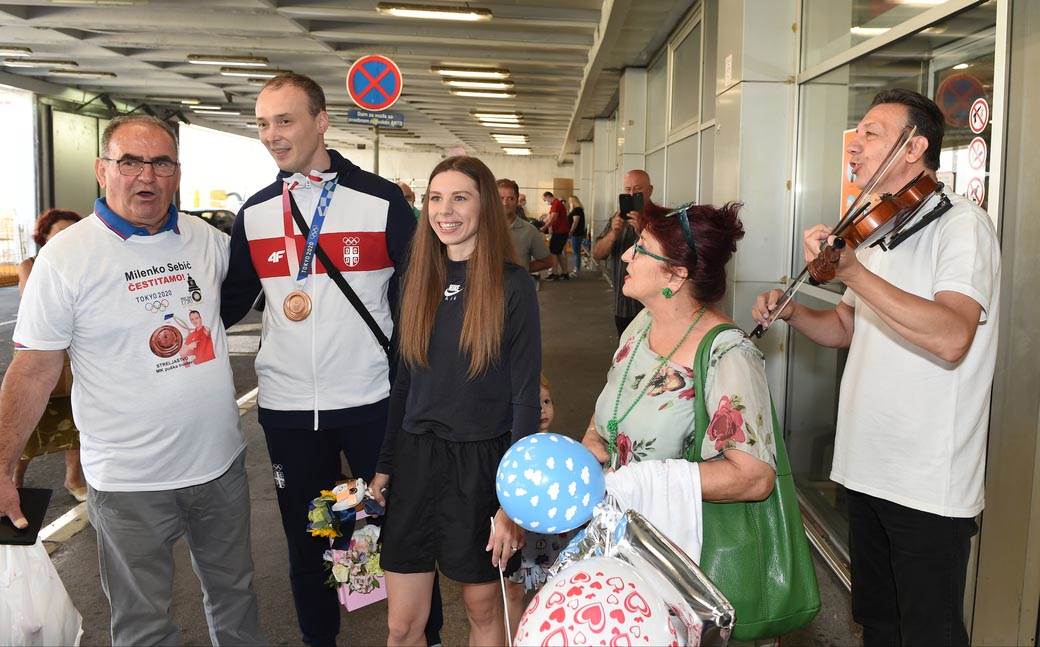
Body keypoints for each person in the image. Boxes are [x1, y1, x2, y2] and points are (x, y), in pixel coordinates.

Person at [0, 115, 263, 645]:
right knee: (142, 625)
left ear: (176, 172)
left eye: (161, 162)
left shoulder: (208, 242)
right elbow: (33, 369)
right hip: (127, 483)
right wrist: (2, 467)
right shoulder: (66, 258)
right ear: (103, 170)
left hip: (218, 468)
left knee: (236, 601)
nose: (147, 175)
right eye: (130, 162)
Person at [752, 88, 1000, 647]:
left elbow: (953, 335)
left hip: (927, 479)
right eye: (856, 134)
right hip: (866, 466)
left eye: (871, 134)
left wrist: (855, 272)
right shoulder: (877, 227)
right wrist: (793, 310)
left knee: (929, 632)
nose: (854, 147)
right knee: (879, 626)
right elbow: (845, 329)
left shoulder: (963, 226)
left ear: (914, 148)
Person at [219, 72, 442, 647]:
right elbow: (227, 301)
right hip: (289, 408)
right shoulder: (258, 211)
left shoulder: (381, 200)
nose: (272, 135)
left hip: (372, 402)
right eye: (263, 124)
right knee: (309, 542)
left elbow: (422, 297)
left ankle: (425, 637)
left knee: (395, 535)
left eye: (285, 120)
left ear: (321, 121)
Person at [369, 156, 541, 646]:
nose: (445, 210)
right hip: (416, 457)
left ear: (484, 206)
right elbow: (403, 380)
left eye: (460, 197)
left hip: (482, 465)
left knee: (483, 612)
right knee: (402, 626)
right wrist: (385, 464)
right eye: (436, 198)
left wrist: (513, 500)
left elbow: (525, 397)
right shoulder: (414, 278)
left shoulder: (513, 286)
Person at [582, 202, 775, 488]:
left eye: (641, 248)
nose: (625, 255)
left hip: (674, 530)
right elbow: (619, 396)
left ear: (675, 274)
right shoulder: (642, 324)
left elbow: (754, 478)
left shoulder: (728, 355)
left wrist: (648, 482)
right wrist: (593, 435)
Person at [12, 208, 87, 502]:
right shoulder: (30, 265)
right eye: (60, 233)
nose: (68, 239)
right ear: (44, 237)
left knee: (75, 419)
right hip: (39, 356)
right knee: (29, 421)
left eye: (73, 232)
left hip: (75, 355)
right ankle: (14, 480)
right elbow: (34, 297)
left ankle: (73, 479)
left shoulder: (84, 265)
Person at [505, 375, 576, 632]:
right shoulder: (516, 450)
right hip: (520, 533)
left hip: (554, 535)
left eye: (547, 401)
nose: (543, 410)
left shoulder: (563, 448)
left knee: (552, 593)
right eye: (535, 405)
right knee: (513, 592)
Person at [592, 170, 666, 335]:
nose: (632, 194)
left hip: (655, 307)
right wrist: (613, 234)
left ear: (650, 190)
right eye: (628, 189)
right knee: (626, 354)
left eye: (637, 189)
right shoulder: (618, 218)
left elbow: (671, 258)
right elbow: (597, 254)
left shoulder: (663, 218)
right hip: (624, 306)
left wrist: (644, 231)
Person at [497, 178, 553, 274]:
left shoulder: (529, 231)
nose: (505, 203)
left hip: (517, 287)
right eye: (500, 198)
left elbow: (547, 262)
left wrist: (521, 269)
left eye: (510, 198)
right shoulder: (480, 229)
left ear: (517, 200)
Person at [541, 191, 570, 280]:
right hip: (560, 231)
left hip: (560, 232)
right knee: (558, 252)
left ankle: (554, 273)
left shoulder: (556, 204)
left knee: (553, 252)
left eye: (545, 200)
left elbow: (553, 218)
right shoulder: (556, 204)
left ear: (548, 196)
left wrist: (544, 227)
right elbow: (549, 217)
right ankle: (565, 273)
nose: (546, 202)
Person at [566, 195, 587, 277]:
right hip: (578, 233)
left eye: (570, 201)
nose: (569, 202)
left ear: (573, 201)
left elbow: (575, 222)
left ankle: (576, 270)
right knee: (576, 252)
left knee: (576, 253)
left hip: (576, 234)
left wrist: (571, 231)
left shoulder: (577, 210)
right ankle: (576, 269)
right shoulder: (578, 210)